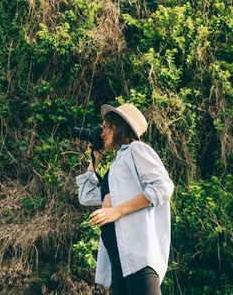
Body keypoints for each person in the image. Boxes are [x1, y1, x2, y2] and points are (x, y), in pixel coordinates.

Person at [75, 103, 175, 295]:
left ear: (120, 126)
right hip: (119, 258)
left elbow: (163, 187)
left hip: (137, 254)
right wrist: (94, 160)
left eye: (106, 126)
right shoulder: (116, 166)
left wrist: (117, 211)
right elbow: (86, 196)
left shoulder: (136, 150)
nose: (102, 132)